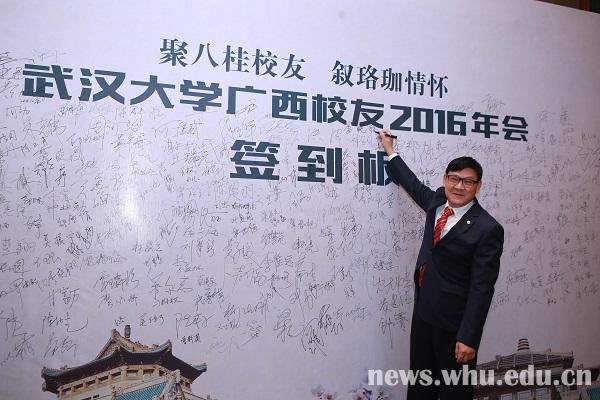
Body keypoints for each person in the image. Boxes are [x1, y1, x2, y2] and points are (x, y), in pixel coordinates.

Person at [378, 129, 504, 400]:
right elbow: (413, 185)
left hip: (454, 326)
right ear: (446, 179)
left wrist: (469, 337)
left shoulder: (487, 228)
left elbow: (482, 288)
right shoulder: (437, 202)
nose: (459, 186)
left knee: (454, 391)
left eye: (468, 182)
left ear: (478, 186)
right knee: (420, 387)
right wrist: (390, 151)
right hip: (424, 315)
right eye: (454, 179)